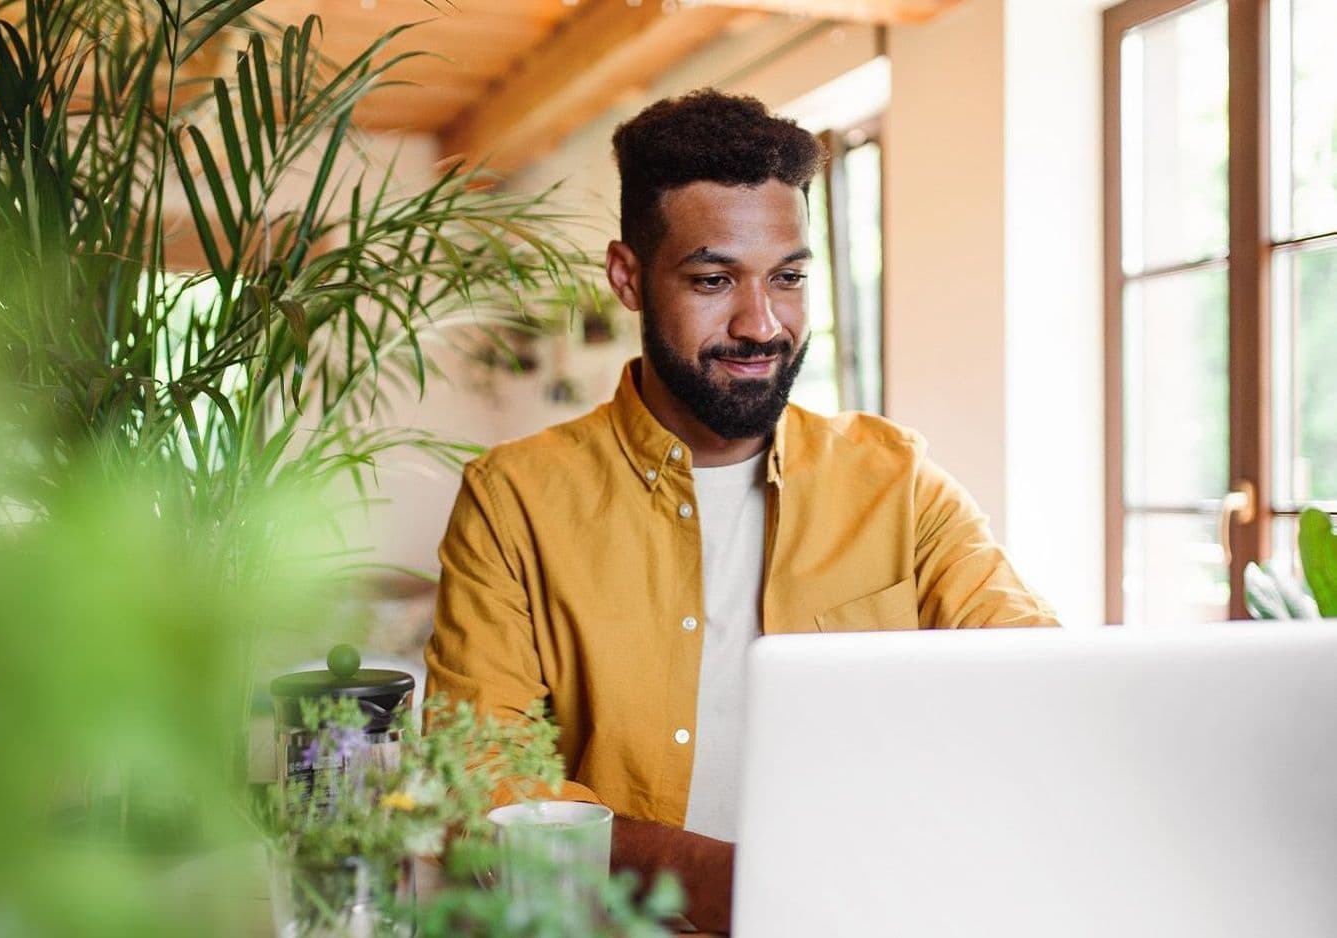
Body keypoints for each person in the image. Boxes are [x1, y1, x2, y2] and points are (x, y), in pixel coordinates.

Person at [424, 89, 1058, 933]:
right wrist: (707, 878)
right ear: (627, 277)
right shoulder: (514, 500)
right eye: (713, 279)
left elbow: (1036, 683)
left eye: (788, 278)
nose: (761, 324)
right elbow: (480, 775)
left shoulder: (897, 482)